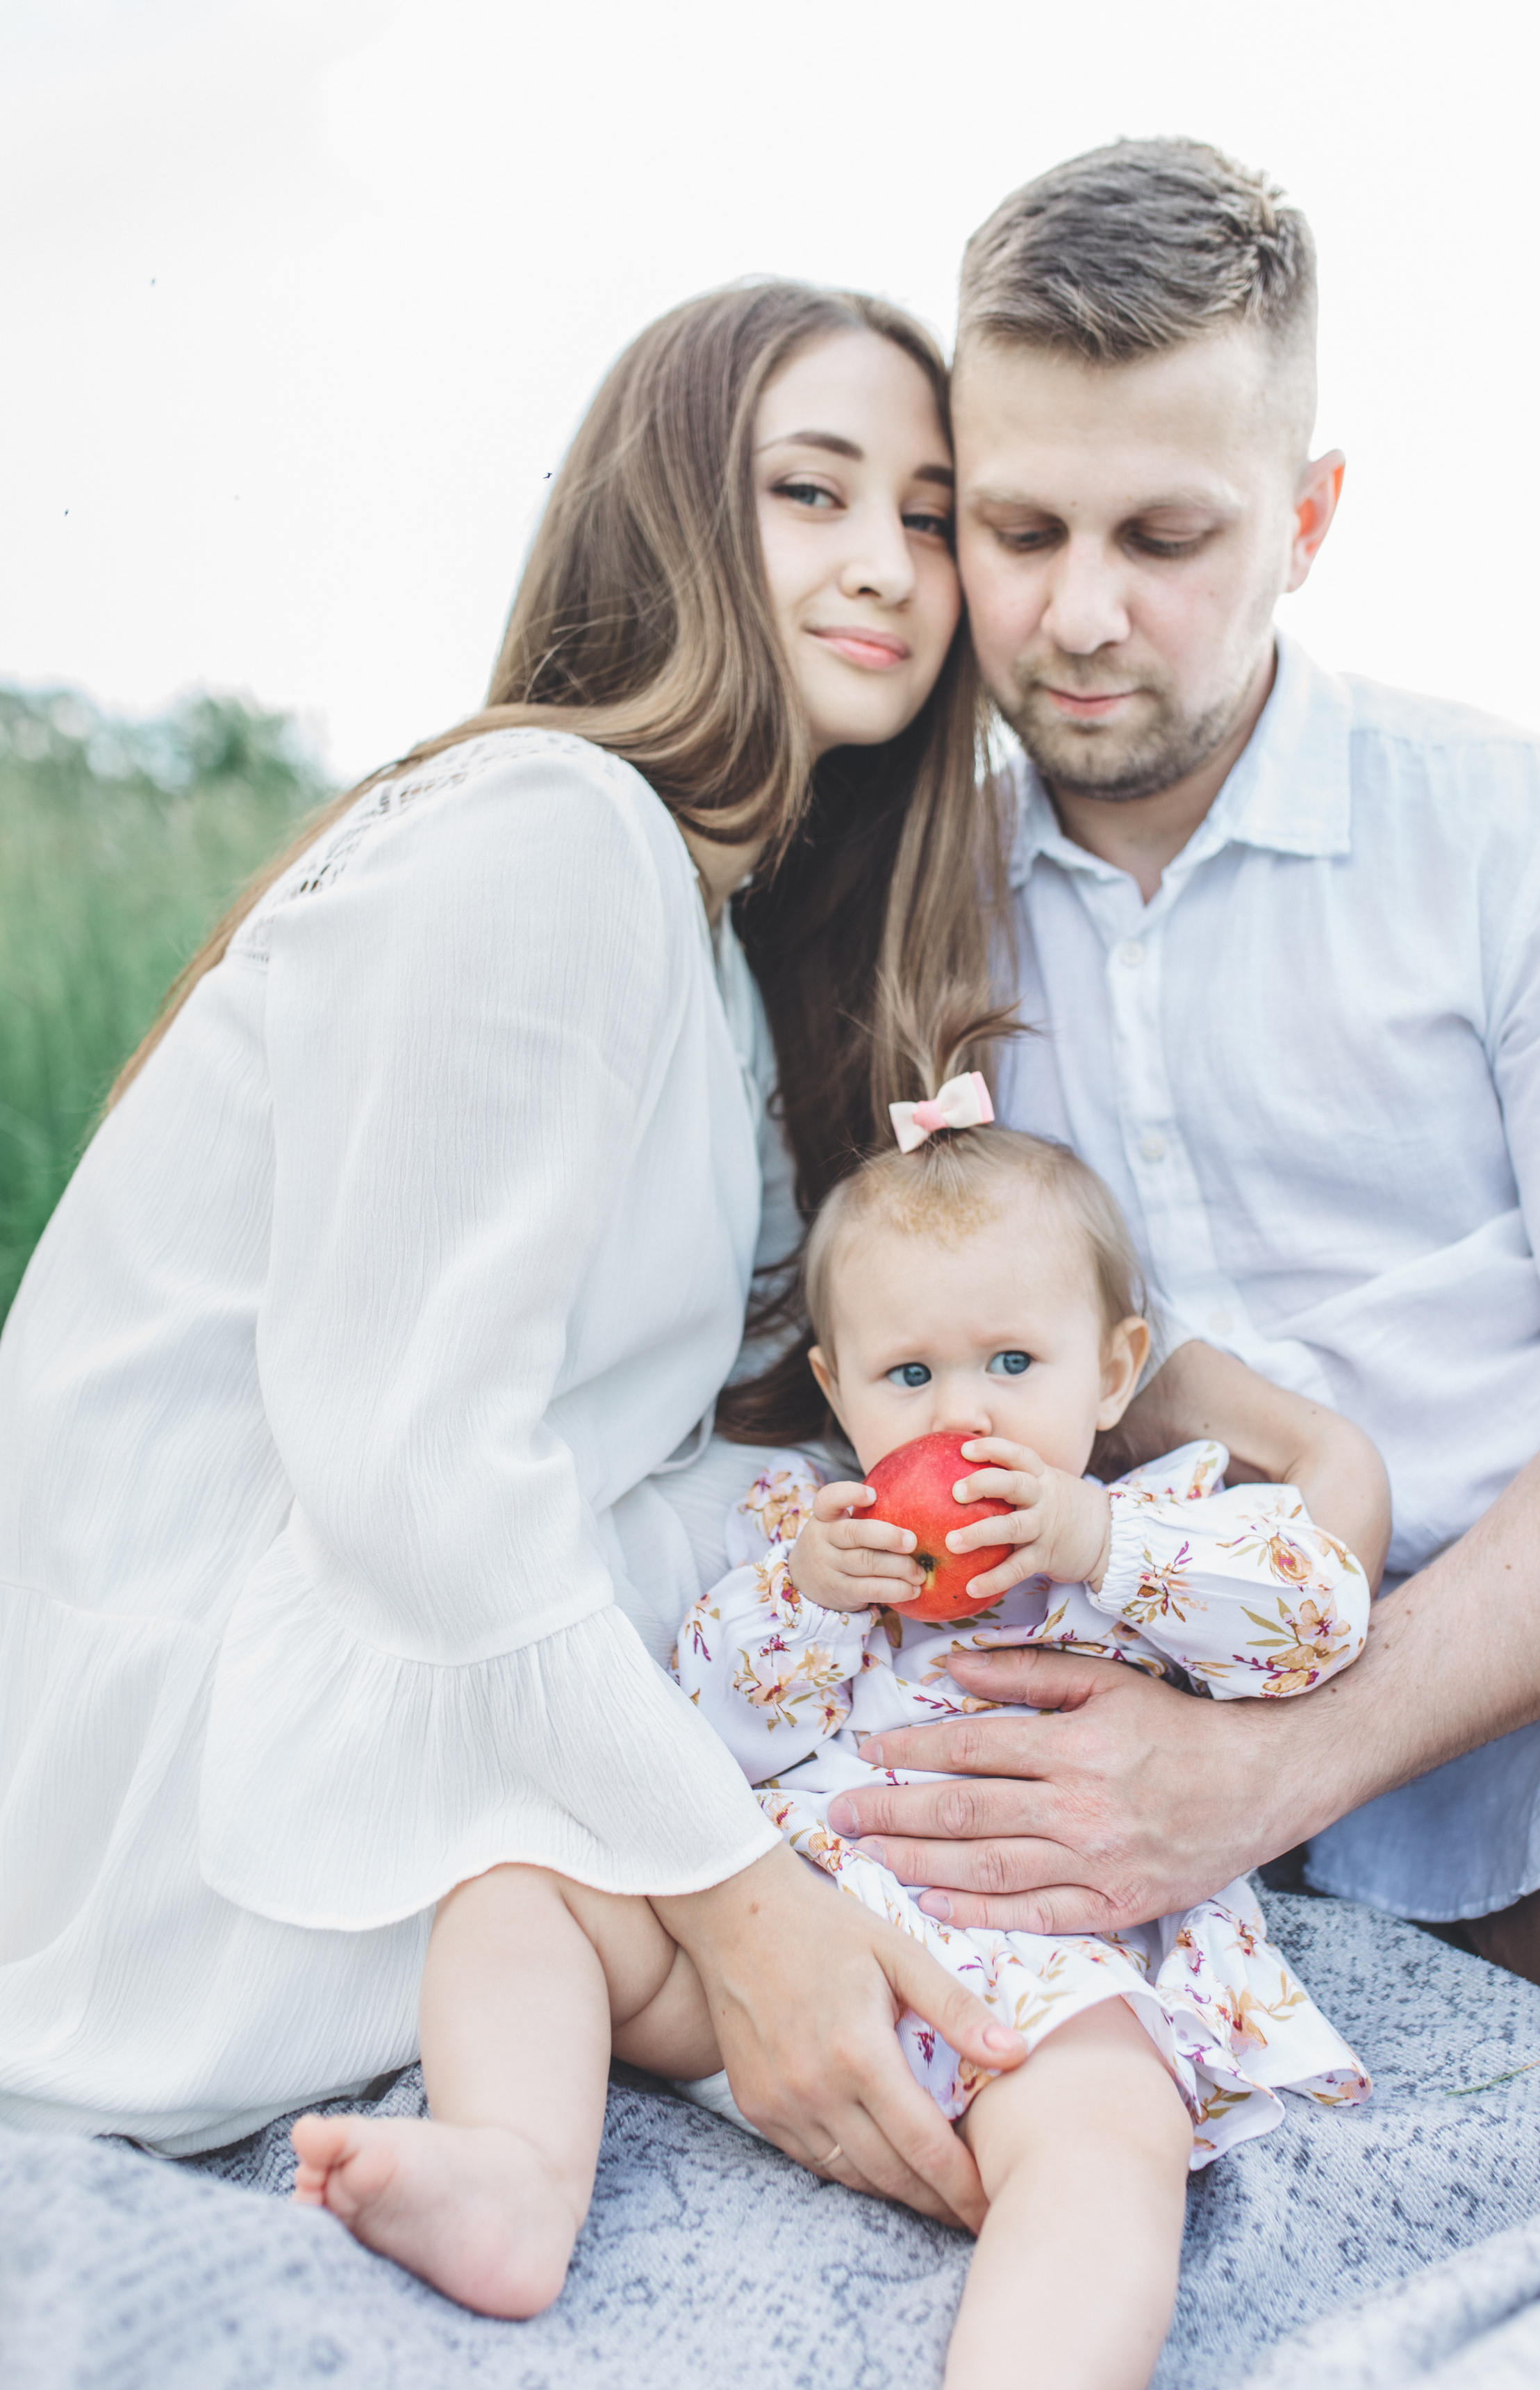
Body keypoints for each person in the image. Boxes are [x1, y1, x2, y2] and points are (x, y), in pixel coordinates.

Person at [0, 281, 1031, 2232]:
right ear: (671, 520)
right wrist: (743, 1903)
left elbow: (658, 1451)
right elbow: (416, 1475)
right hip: (173, 1803)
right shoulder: (548, 834)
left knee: (850, 1573)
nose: (887, 565)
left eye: (925, 512)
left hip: (323, 1663)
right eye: (811, 493)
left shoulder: (709, 919)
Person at [819, 139, 1540, 2191]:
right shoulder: (915, 927)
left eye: (1168, 533)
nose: (1083, 614)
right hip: (1106, 1711)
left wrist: (1264, 1773)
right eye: (1021, 530)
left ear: (1311, 517)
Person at [667, 1075, 1375, 2390]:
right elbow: (705, 1726)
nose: (963, 1419)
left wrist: (1098, 1539)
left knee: (1108, 2135)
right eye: (909, 1379)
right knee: (525, 1886)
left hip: (1035, 1990)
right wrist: (802, 1602)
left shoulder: (1167, 1521)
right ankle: (505, 2156)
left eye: (1011, 1363)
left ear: (1113, 1373)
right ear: (837, 1391)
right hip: (794, 1949)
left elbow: (1319, 1615)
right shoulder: (813, 1538)